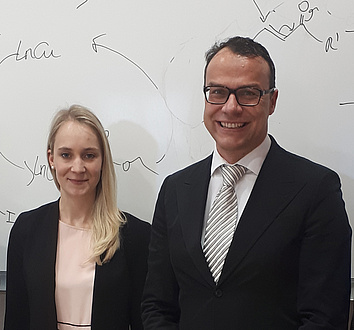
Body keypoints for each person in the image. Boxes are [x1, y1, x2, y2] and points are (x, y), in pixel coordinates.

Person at [142, 36, 352, 329]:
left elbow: (324, 317)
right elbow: (157, 305)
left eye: (248, 93)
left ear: (272, 101)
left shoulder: (316, 190)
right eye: (217, 92)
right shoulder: (175, 190)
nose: (230, 107)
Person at [5, 105, 150, 330]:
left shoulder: (136, 236)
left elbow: (144, 322)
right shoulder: (26, 230)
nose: (78, 167)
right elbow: (17, 319)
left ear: (102, 161)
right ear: (51, 159)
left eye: (89, 155)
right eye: (66, 155)